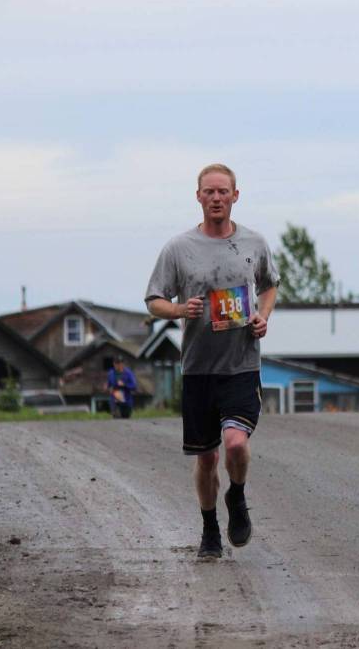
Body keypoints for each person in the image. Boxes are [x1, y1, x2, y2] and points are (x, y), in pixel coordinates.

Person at [145, 163, 279, 559]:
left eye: (223, 192)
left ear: (236, 196)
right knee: (207, 457)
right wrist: (179, 310)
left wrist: (263, 317)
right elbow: (153, 301)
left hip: (240, 365)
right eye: (209, 192)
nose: (216, 198)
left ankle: (236, 497)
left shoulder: (254, 244)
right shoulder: (178, 248)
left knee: (236, 444)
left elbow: (270, 287)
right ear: (198, 197)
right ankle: (209, 531)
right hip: (199, 368)